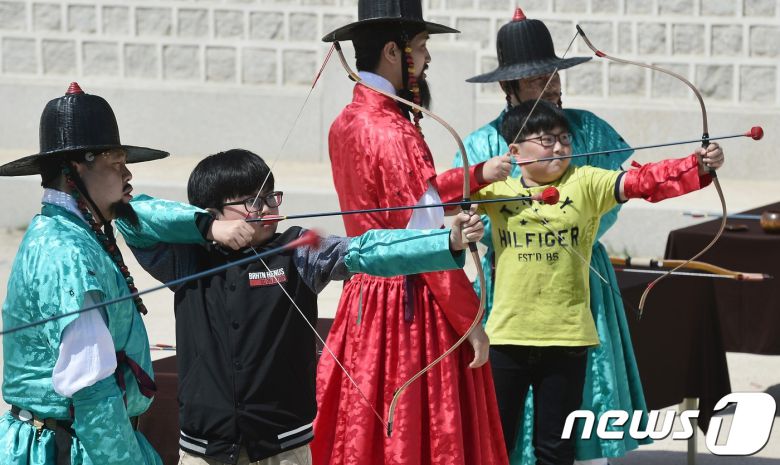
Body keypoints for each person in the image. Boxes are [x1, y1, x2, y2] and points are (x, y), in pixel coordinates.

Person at [116, 149, 487, 465]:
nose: (266, 208)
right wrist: (207, 229)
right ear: (213, 211)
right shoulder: (187, 257)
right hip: (204, 448)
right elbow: (131, 217)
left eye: (270, 197)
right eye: (251, 202)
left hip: (284, 445)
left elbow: (365, 250)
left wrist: (446, 240)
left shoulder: (298, 249)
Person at [311, 0, 512, 464]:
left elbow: (400, 202)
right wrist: (470, 320)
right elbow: (423, 242)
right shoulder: (395, 131)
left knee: (368, 431)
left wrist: (479, 173)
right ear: (391, 51)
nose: (426, 59)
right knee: (421, 434)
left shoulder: (347, 121)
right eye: (420, 47)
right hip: (410, 306)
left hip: (364, 295)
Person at [474, 100, 724, 465]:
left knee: (555, 450)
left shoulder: (587, 181)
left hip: (566, 339)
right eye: (546, 140)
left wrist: (695, 164)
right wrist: (480, 173)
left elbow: (642, 181)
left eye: (565, 139)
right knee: (494, 447)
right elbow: (440, 198)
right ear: (515, 151)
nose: (559, 148)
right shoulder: (497, 193)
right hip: (507, 338)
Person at [454, 9, 650, 464]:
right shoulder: (485, 143)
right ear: (510, 87)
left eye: (553, 74)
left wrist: (571, 231)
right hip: (512, 278)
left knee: (568, 415)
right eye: (536, 78)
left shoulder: (585, 127)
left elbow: (612, 196)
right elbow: (466, 203)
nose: (551, 85)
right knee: (502, 418)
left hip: (579, 273)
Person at [0, 83, 168, 464]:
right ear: (77, 167)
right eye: (115, 163)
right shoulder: (66, 252)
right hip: (71, 447)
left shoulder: (74, 234)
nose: (127, 175)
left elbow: (155, 212)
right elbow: (91, 388)